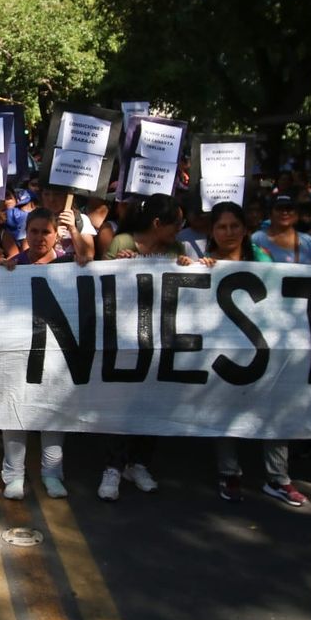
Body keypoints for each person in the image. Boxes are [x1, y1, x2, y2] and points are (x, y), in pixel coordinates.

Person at [195, 203, 307, 506]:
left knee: (273, 407)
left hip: (265, 348)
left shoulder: (263, 259)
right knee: (225, 409)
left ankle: (279, 478)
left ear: (245, 230)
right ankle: (229, 473)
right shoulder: (203, 262)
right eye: (222, 227)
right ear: (212, 232)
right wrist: (190, 268)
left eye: (234, 226)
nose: (229, 232)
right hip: (222, 353)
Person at [98, 193, 192, 501]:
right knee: (121, 404)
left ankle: (138, 464)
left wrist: (191, 268)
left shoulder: (177, 250)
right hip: (124, 339)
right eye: (176, 224)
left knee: (153, 402)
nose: (180, 230)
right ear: (157, 223)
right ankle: (113, 467)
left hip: (162, 340)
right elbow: (97, 283)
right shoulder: (122, 242)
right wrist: (115, 265)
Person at [0, 208, 78, 500]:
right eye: (34, 231)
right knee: (14, 412)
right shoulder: (13, 266)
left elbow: (89, 258)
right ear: (26, 233)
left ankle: (52, 474)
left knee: (53, 415)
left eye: (46, 232)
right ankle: (13, 475)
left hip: (56, 355)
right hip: (18, 353)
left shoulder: (69, 264)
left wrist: (76, 232)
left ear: (56, 235)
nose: (40, 237)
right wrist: (1, 271)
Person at [251, 193, 311, 264]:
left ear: (296, 215)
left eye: (289, 209)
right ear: (270, 214)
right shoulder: (256, 239)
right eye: (279, 209)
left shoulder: (310, 242)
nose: (284, 212)